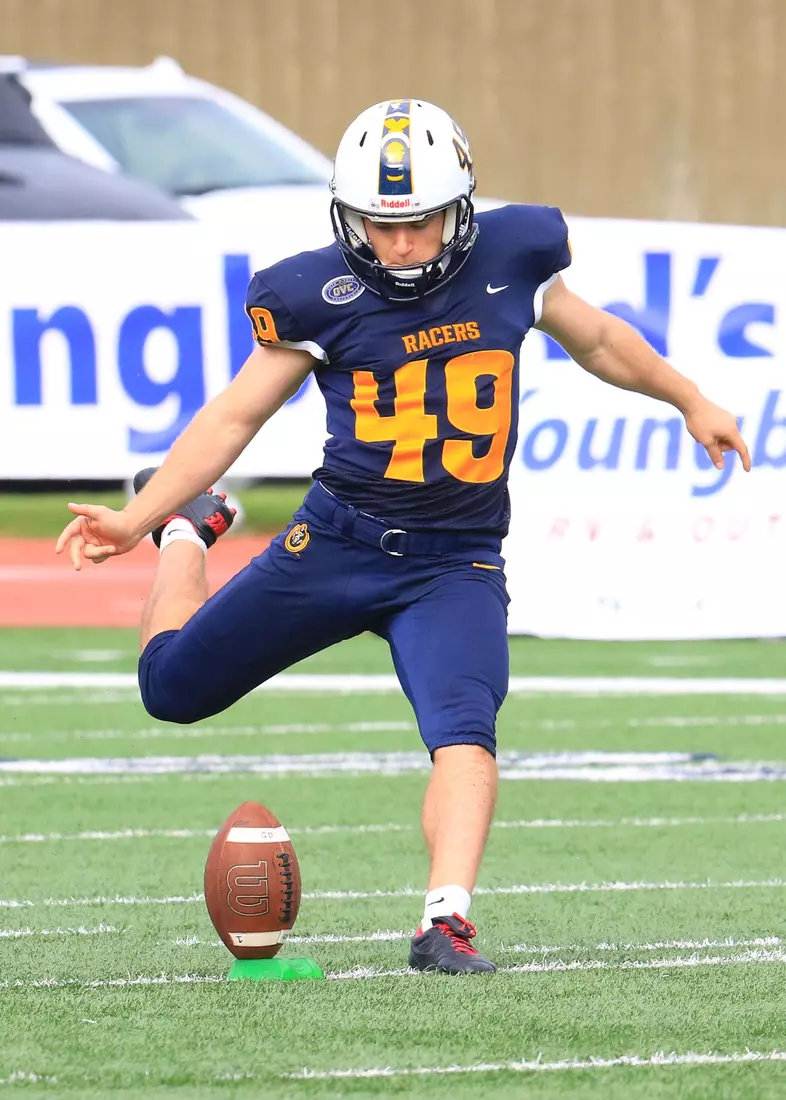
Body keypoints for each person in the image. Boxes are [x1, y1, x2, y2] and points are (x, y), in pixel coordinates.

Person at [56, 98, 751, 975]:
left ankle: (445, 921)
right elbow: (234, 418)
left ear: (460, 205)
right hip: (338, 539)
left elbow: (603, 341)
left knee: (466, 724)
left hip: (453, 560)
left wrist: (691, 398)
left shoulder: (515, 255)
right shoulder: (317, 293)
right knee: (171, 690)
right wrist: (140, 516)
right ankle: (191, 540)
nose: (398, 245)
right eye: (378, 224)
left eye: (418, 221)